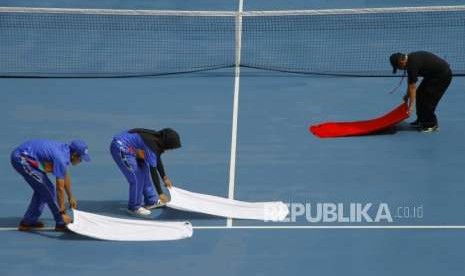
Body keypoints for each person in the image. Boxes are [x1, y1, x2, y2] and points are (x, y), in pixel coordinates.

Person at [10, 139, 90, 231]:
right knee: (49, 189)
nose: (81, 161)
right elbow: (59, 188)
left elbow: (64, 174)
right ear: (74, 155)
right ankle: (61, 222)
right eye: (81, 158)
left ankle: (28, 221)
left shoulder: (65, 152)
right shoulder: (61, 158)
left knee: (42, 189)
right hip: (21, 158)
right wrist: (62, 213)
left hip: (26, 156)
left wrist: (70, 196)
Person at [110, 128, 181, 217]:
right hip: (121, 148)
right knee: (136, 178)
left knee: (144, 169)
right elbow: (153, 170)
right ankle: (134, 207)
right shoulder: (152, 145)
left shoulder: (157, 139)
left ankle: (150, 201)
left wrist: (164, 178)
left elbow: (157, 159)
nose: (171, 149)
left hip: (133, 149)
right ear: (167, 143)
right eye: (171, 147)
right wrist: (160, 193)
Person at [389, 51, 452, 132]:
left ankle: (431, 124)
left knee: (428, 99)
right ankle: (421, 120)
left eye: (398, 67)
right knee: (419, 94)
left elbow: (412, 87)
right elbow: (411, 81)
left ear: (401, 62)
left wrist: (411, 106)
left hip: (442, 76)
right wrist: (407, 95)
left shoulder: (412, 64)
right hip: (432, 76)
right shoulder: (410, 61)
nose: (400, 69)